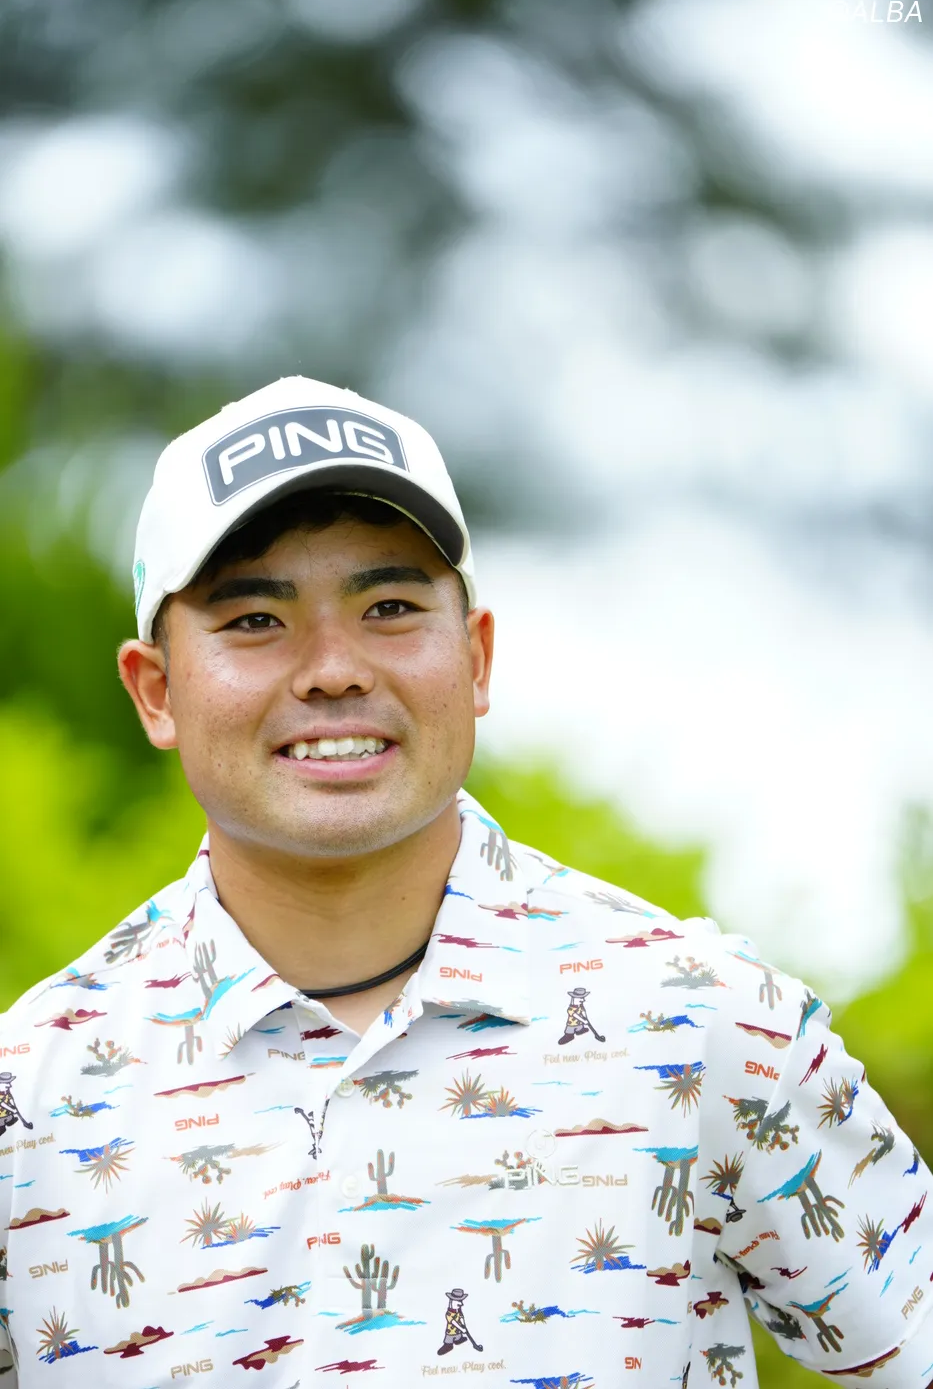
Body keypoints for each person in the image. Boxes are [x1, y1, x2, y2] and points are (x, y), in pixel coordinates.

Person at [0, 375, 931, 1388]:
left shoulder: (703, 1026)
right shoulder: (30, 1100)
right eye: (256, 620)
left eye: (390, 607)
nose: (333, 668)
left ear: (477, 659)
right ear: (155, 690)